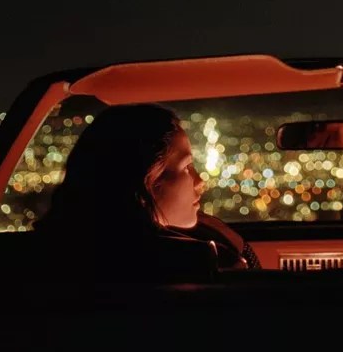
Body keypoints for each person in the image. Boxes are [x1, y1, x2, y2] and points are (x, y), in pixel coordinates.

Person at [36, 104, 216, 276]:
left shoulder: (46, 257)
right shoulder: (191, 264)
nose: (200, 182)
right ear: (144, 182)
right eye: (187, 167)